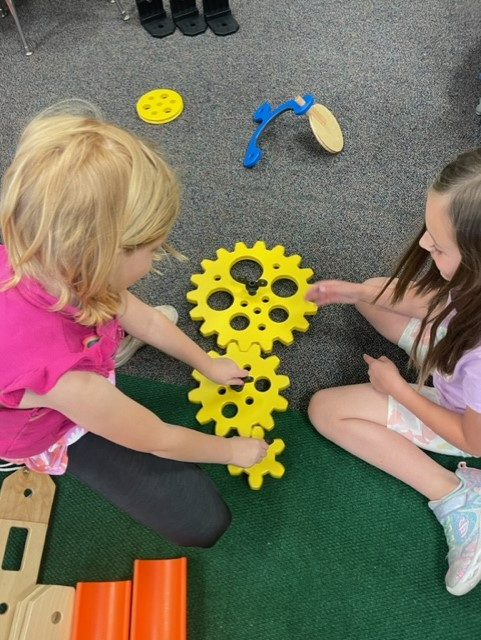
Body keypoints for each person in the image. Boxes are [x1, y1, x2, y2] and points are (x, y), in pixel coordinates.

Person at [0, 102, 268, 548]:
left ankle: (100, 350)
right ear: (97, 259)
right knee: (203, 522)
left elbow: (140, 315)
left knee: (113, 327)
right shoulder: (70, 384)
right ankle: (18, 451)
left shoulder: (51, 257)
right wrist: (233, 451)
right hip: (45, 417)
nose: (156, 259)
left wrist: (207, 363)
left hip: (56, 354)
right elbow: (158, 439)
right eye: (152, 251)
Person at [306, 147, 481, 597]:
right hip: (460, 359)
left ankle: (459, 499)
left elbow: (471, 438)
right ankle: (427, 355)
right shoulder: (472, 287)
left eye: (437, 245)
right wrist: (354, 292)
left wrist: (398, 390)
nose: (423, 245)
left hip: (468, 421)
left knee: (326, 410)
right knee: (371, 295)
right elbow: (433, 302)